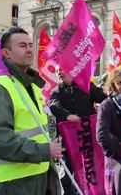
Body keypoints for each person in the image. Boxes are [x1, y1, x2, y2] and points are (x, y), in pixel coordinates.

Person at [0, 27, 62, 195]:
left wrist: (50, 138)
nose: (29, 49)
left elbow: (36, 124)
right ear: (6, 53)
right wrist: (44, 150)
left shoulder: (29, 85)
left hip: (36, 177)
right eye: (22, 45)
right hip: (10, 184)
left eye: (29, 44)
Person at [49, 66, 107, 194]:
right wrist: (67, 115)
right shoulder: (57, 91)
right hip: (69, 141)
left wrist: (103, 108)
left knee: (92, 169)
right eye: (57, 70)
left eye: (62, 69)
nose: (59, 72)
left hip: (88, 138)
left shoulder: (85, 85)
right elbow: (53, 104)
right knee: (68, 174)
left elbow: (103, 98)